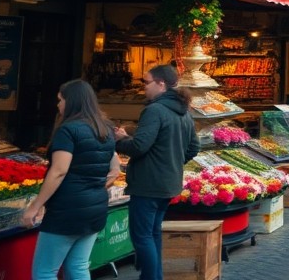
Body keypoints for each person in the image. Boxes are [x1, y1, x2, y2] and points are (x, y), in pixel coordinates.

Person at [24, 79, 121, 280]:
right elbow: (115, 169)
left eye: (61, 100)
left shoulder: (68, 130)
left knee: (44, 272)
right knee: (78, 267)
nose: (58, 104)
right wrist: (94, 187)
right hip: (95, 208)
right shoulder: (105, 128)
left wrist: (36, 206)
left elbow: (59, 171)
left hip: (67, 210)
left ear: (72, 101)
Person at [114, 65, 198, 280]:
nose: (143, 87)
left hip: (148, 185)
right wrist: (173, 162)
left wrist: (120, 140)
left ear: (161, 84)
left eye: (146, 82)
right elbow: (193, 148)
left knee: (142, 236)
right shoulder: (184, 112)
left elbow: (139, 146)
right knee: (153, 233)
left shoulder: (155, 110)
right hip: (168, 184)